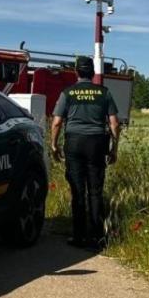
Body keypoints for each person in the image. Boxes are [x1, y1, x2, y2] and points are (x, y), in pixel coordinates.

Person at [50, 57, 120, 249]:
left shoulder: (68, 93)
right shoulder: (104, 93)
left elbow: (56, 122)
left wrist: (54, 145)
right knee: (95, 191)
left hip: (74, 143)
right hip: (97, 143)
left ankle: (78, 236)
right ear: (93, 71)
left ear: (76, 72)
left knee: (77, 191)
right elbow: (114, 123)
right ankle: (97, 237)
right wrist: (114, 148)